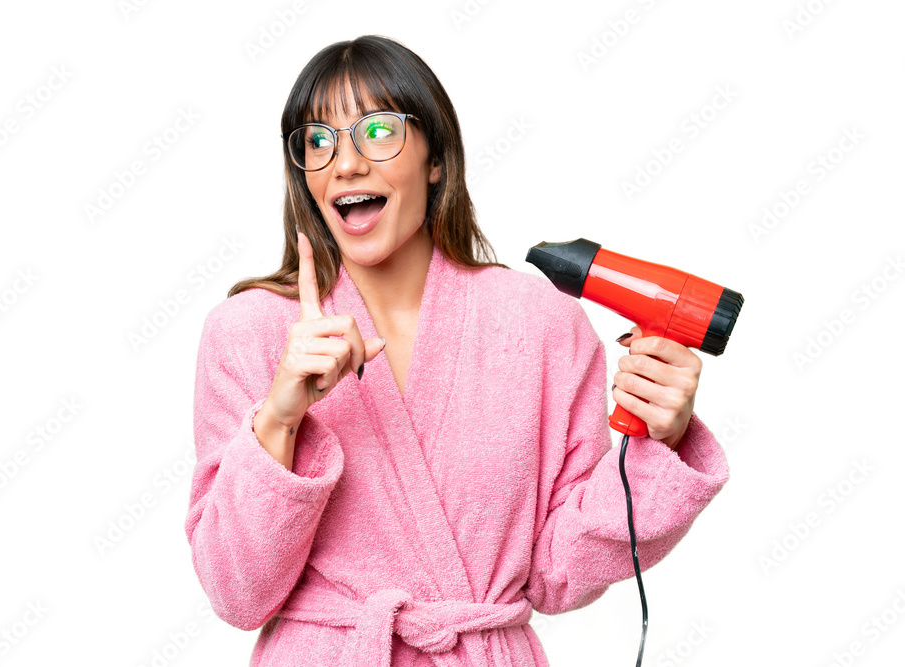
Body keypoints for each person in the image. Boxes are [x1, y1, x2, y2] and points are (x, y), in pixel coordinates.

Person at [183, 35, 729, 667]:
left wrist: (662, 438)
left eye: (377, 130)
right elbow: (235, 594)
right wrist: (278, 419)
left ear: (436, 157)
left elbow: (559, 571)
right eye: (318, 141)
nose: (346, 164)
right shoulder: (247, 331)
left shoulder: (542, 323)